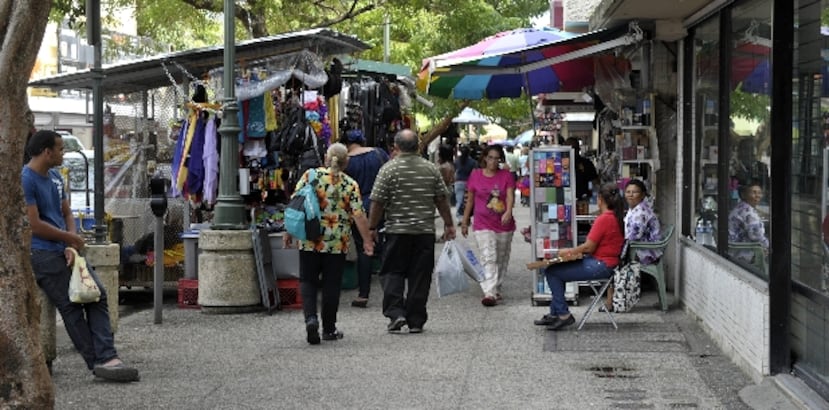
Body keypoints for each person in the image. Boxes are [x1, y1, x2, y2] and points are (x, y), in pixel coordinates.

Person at [23, 130, 139, 382]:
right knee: (71, 304)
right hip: (41, 251)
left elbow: (67, 213)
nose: (63, 153)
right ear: (47, 152)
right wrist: (68, 238)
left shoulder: (55, 177)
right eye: (60, 149)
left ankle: (106, 355)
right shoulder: (26, 179)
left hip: (64, 248)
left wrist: (71, 243)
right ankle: (99, 361)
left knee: (97, 294)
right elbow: (34, 224)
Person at [283, 143, 374, 345]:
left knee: (308, 280)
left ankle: (311, 319)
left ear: (326, 158)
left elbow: (296, 204)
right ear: (346, 162)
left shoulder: (310, 176)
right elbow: (358, 215)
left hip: (310, 239)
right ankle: (329, 329)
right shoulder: (350, 184)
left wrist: (288, 231)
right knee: (331, 285)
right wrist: (367, 241)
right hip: (337, 243)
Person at [369, 129, 456, 334]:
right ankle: (416, 320)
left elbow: (378, 202)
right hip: (424, 232)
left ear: (396, 146)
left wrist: (372, 227)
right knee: (420, 275)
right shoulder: (430, 169)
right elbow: (441, 199)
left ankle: (396, 313)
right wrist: (448, 224)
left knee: (392, 272)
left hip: (396, 231)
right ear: (418, 146)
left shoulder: (388, 169)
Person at [533, 183, 626, 331]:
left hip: (600, 265)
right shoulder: (616, 217)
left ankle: (563, 314)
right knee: (555, 269)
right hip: (606, 263)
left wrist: (569, 251)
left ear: (600, 199)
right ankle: (555, 313)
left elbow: (589, 247)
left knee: (552, 272)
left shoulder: (604, 219)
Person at [461, 144, 516, 306]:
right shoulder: (475, 175)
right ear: (485, 158)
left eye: (496, 158)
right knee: (488, 256)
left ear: (500, 160)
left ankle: (496, 287)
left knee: (501, 257)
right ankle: (489, 292)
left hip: (503, 224)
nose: (493, 161)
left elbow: (510, 196)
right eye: (490, 157)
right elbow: (470, 200)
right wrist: (465, 221)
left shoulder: (506, 175)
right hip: (482, 223)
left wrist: (508, 211)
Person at [342, 129, 389, 308]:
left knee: (364, 247)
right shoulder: (379, 154)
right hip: (380, 203)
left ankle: (363, 294)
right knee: (383, 246)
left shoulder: (346, 160)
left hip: (357, 208)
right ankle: (391, 291)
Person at [727, 181, 769, 264]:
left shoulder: (741, 207)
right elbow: (756, 236)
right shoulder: (747, 211)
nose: (757, 196)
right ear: (744, 195)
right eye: (754, 192)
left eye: (759, 193)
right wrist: (768, 246)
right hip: (740, 252)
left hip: (735, 247)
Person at [624, 179, 662, 264]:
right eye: (628, 192)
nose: (630, 195)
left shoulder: (641, 212)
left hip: (646, 252)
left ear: (643, 195)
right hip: (639, 247)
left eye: (635, 192)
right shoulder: (635, 208)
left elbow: (635, 236)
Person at [453, 145, 477, 218]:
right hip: (468, 183)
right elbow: (474, 173)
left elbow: (455, 171)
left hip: (458, 182)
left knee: (459, 200)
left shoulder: (457, 161)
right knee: (468, 201)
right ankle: (467, 216)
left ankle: (459, 217)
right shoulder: (473, 162)